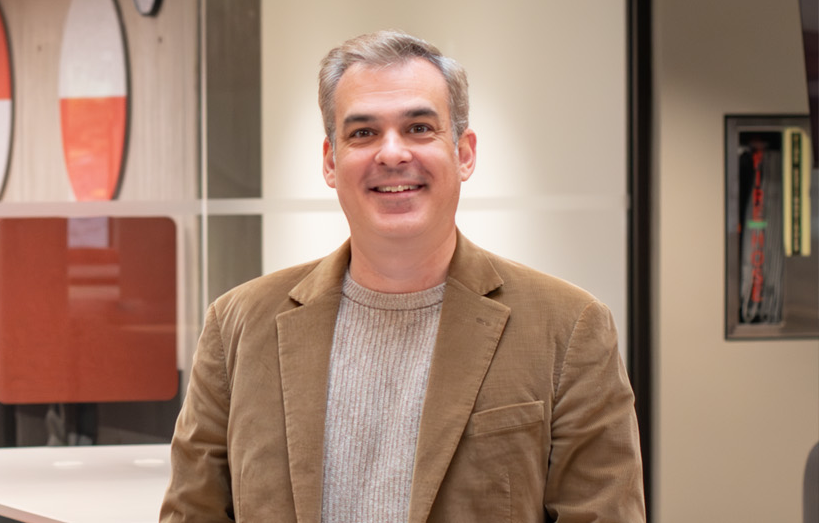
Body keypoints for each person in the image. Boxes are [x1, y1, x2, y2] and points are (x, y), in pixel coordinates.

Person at [161, 31, 645, 522]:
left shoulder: (569, 328)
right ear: (331, 162)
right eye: (363, 133)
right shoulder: (238, 326)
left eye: (418, 128)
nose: (392, 154)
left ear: (464, 153)